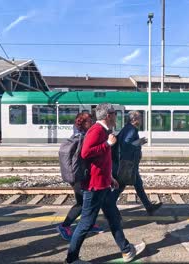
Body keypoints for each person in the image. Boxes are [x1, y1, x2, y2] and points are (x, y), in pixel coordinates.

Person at [65, 103, 146, 264]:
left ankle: (126, 250)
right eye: (115, 113)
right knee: (86, 223)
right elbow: (86, 153)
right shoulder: (97, 130)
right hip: (95, 186)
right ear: (108, 115)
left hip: (103, 183)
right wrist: (107, 144)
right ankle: (71, 259)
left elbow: (101, 160)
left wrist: (110, 178)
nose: (116, 117)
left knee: (113, 217)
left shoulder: (104, 131)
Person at [57, 112, 104, 241]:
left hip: (78, 173)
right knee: (82, 203)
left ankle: (90, 223)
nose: (93, 123)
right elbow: (87, 155)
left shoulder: (78, 133)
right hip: (78, 175)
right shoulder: (83, 137)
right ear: (84, 123)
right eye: (90, 121)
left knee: (92, 200)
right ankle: (64, 225)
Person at [113, 111, 162, 215]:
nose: (141, 120)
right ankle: (109, 205)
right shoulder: (131, 130)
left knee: (138, 185)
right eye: (139, 118)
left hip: (129, 164)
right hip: (128, 165)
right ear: (134, 120)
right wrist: (139, 142)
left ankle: (149, 208)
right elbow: (126, 145)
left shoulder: (127, 128)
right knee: (120, 186)